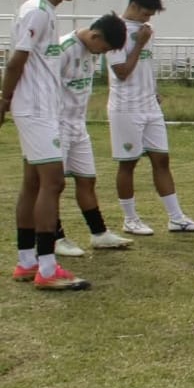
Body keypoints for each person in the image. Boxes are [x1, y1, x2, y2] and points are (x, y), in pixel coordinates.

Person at [4, 0, 90, 290]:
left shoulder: (46, 12)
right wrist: (4, 100)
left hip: (41, 108)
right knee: (53, 182)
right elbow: (16, 62)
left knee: (34, 183)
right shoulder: (37, 13)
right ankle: (47, 267)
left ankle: (27, 262)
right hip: (36, 109)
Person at [109, 0, 194, 234]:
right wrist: (139, 44)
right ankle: (130, 219)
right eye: (145, 13)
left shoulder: (147, 31)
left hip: (149, 105)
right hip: (126, 106)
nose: (148, 19)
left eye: (151, 15)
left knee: (161, 159)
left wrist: (153, 90)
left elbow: (145, 66)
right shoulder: (115, 30)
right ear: (133, 5)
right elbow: (121, 71)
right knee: (128, 163)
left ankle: (176, 217)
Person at [52, 14, 134, 257]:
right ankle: (55, 237)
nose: (102, 53)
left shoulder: (91, 52)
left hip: (78, 125)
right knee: (53, 185)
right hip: (57, 125)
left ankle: (99, 234)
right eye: (104, 48)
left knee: (87, 179)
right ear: (96, 36)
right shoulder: (64, 49)